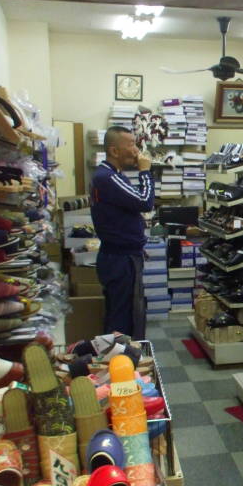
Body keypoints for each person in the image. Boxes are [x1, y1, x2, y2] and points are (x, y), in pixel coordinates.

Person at [90, 125, 154, 338]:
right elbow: (145, 202)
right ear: (114, 151)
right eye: (131, 145)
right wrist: (145, 171)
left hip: (122, 255)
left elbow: (129, 209)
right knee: (123, 319)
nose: (136, 150)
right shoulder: (107, 177)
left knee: (125, 313)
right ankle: (121, 365)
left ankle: (123, 363)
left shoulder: (112, 175)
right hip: (120, 259)